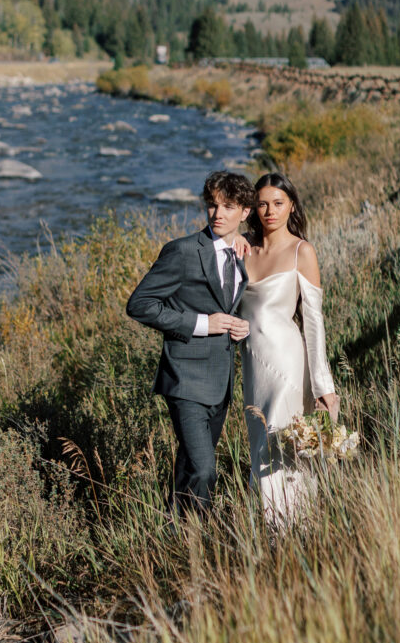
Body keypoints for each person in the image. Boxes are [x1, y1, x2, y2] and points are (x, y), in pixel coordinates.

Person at [126, 170, 255, 515]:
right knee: (204, 470)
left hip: (221, 382)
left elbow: (237, 300)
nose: (218, 213)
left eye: (228, 206)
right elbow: (139, 305)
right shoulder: (182, 251)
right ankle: (196, 542)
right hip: (184, 379)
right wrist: (202, 324)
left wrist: (240, 326)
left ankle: (173, 536)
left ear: (244, 212)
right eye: (212, 205)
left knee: (187, 469)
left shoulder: (243, 251)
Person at [239, 172, 338, 521]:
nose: (270, 210)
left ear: (291, 205)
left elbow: (314, 321)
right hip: (253, 366)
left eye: (278, 203)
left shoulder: (302, 251)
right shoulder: (243, 247)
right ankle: (279, 526)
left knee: (281, 442)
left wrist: (323, 384)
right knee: (260, 443)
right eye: (263, 203)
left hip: (287, 363)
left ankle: (285, 526)